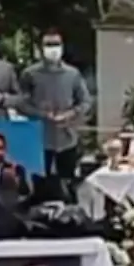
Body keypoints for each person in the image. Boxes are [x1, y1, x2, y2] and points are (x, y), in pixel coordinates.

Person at [19, 29, 92, 181]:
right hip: (39, 139)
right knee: (39, 183)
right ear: (41, 48)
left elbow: (85, 101)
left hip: (67, 137)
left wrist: (71, 114)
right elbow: (21, 104)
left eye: (56, 44)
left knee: (67, 181)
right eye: (49, 44)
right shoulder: (30, 74)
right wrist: (42, 114)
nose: (53, 49)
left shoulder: (72, 74)